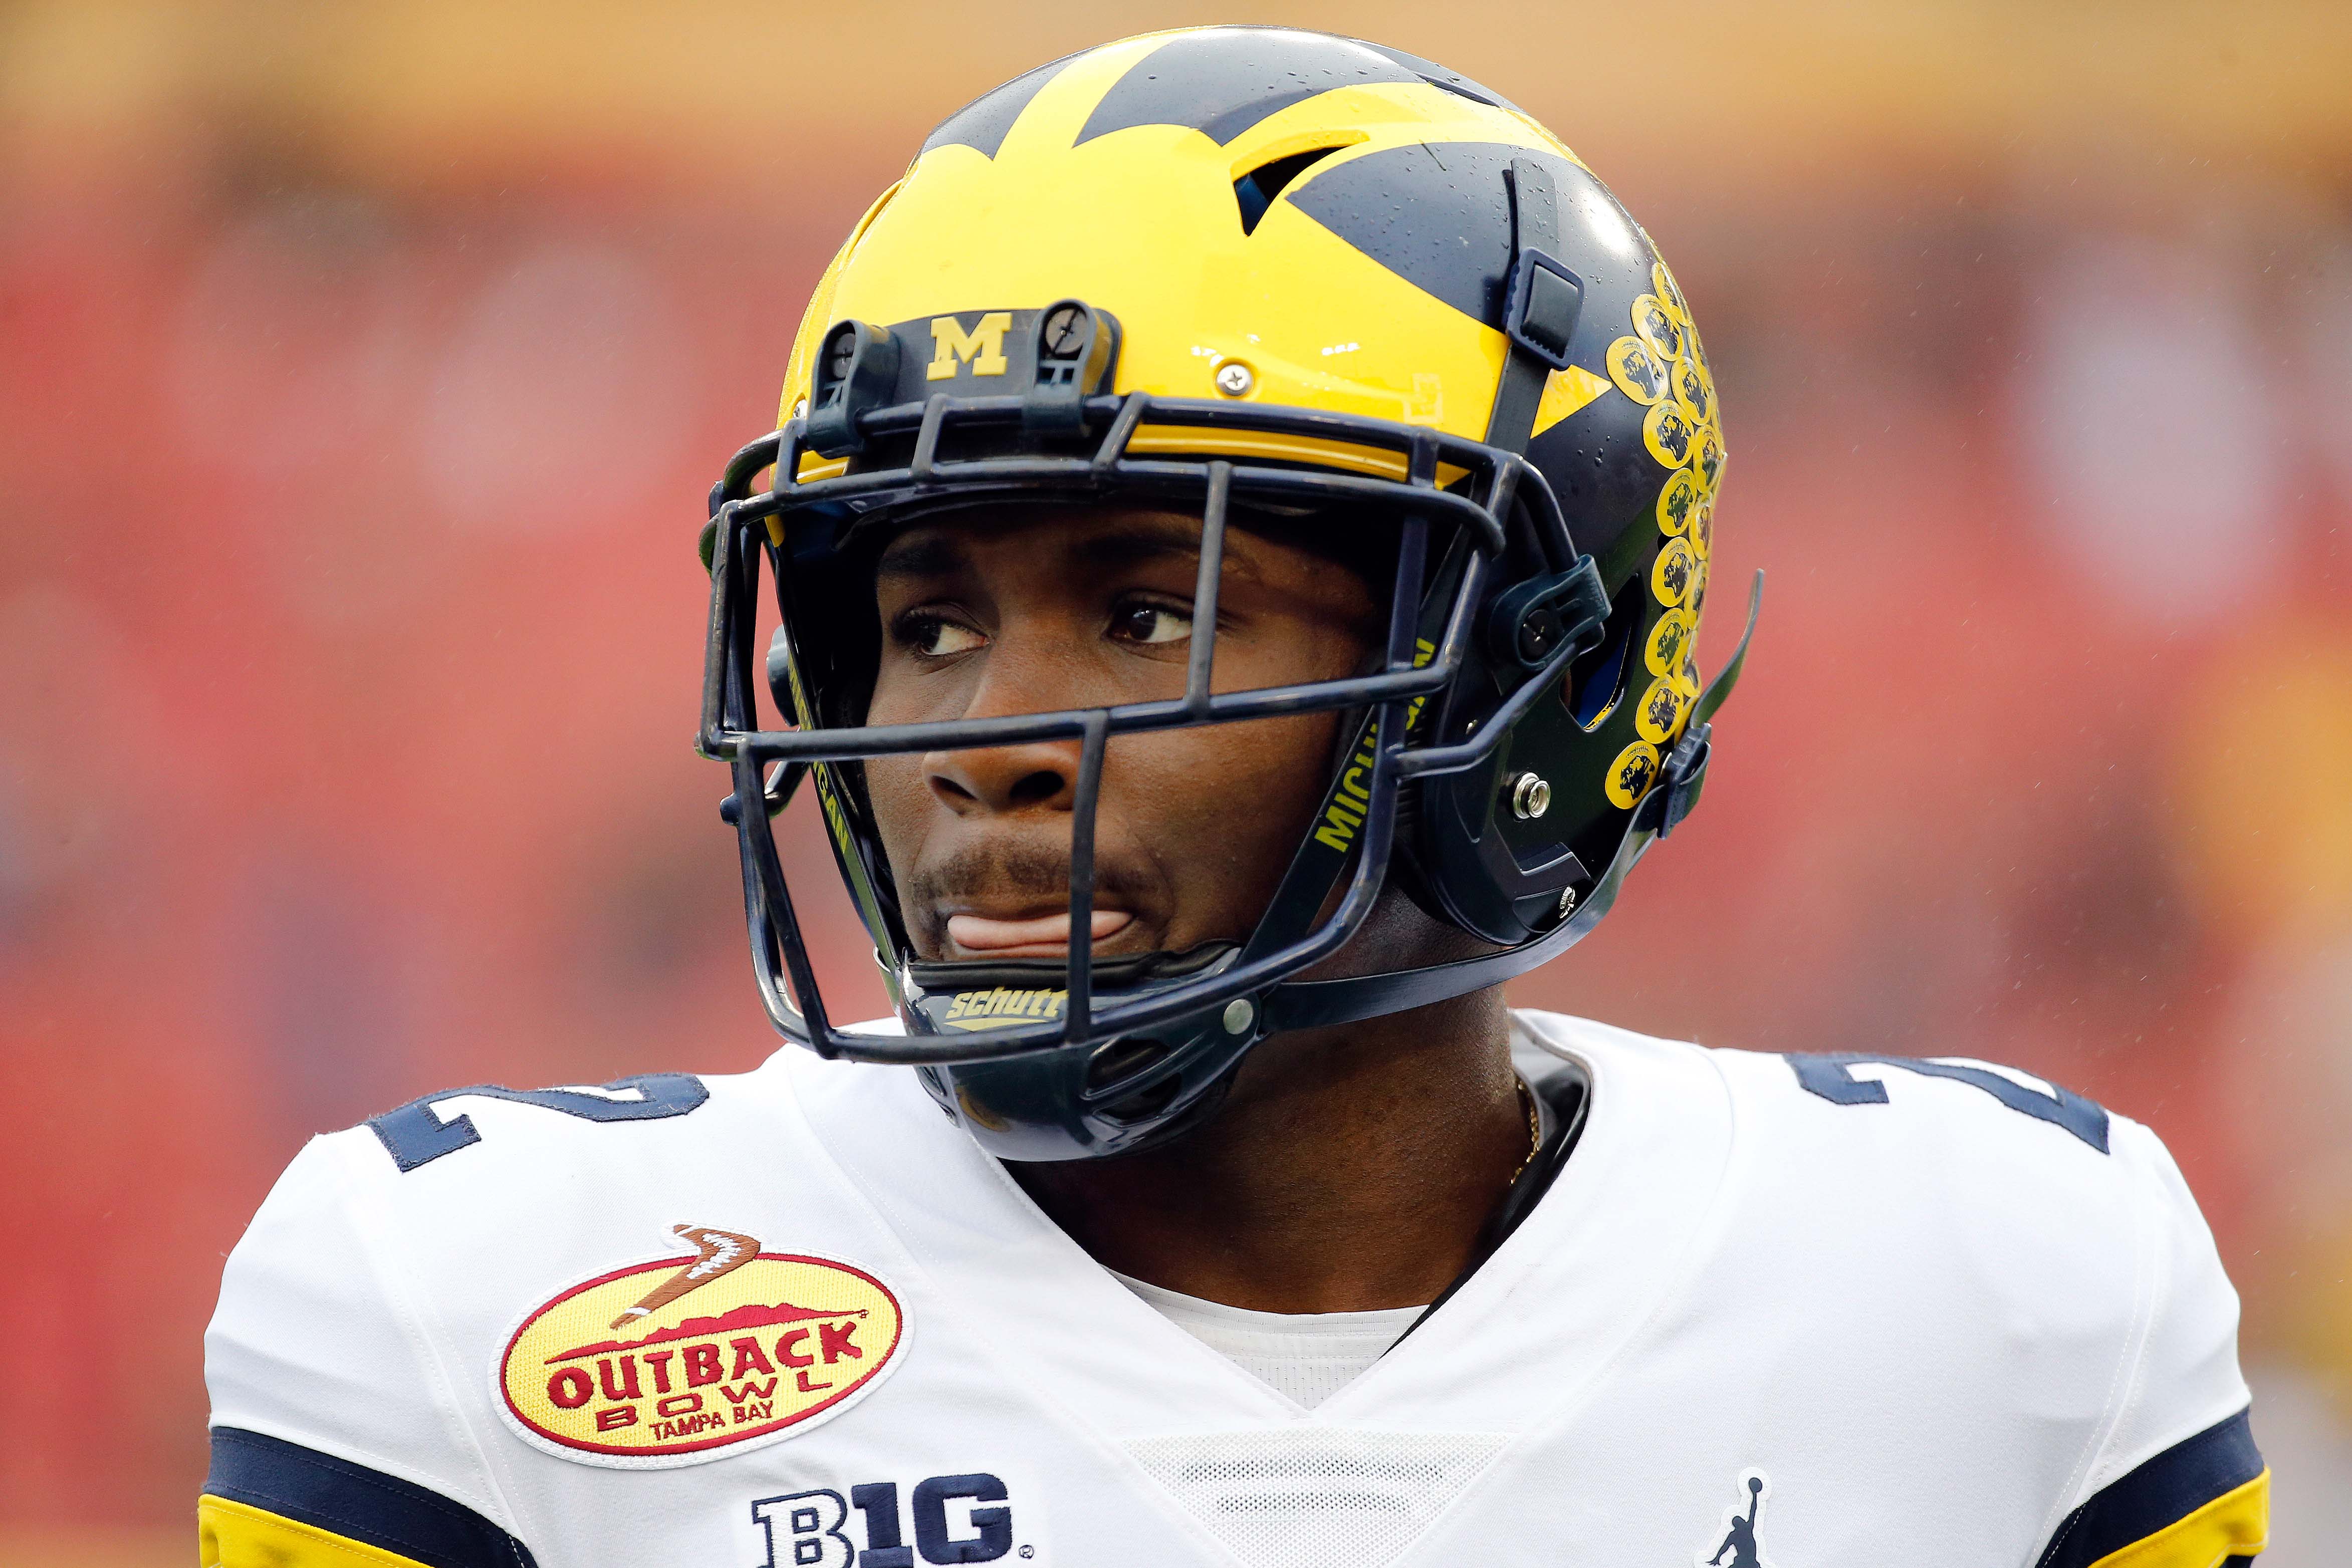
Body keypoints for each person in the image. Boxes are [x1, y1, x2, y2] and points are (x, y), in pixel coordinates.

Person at [199, 27, 2270, 1567]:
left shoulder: (1994, 1297)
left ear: (1530, 671)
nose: (982, 736)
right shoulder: (478, 1307)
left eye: (1147, 610)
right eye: (925, 620)